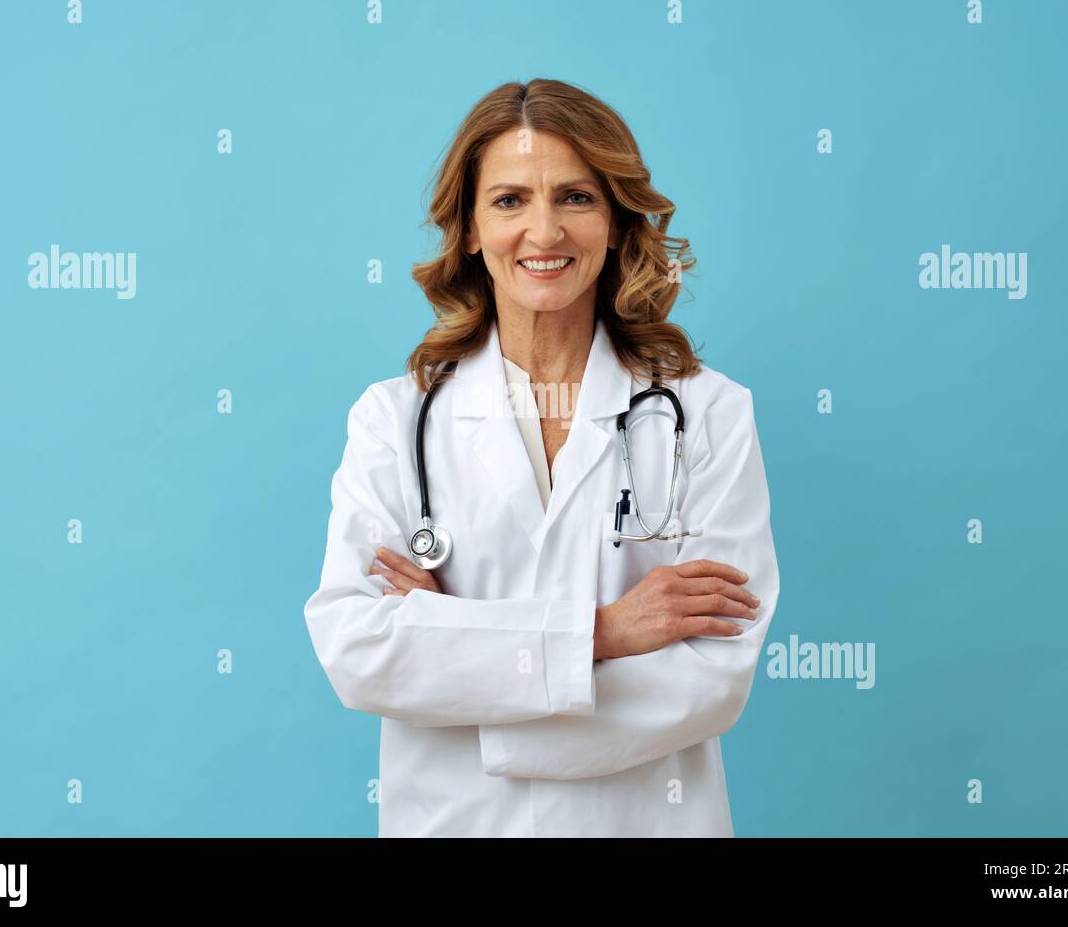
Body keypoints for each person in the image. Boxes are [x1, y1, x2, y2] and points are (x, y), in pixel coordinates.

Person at [303, 78, 779, 837]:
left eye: (577, 198)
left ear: (619, 222)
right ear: (467, 229)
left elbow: (712, 676)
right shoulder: (394, 420)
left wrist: (463, 660)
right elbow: (359, 649)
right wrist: (605, 633)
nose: (544, 231)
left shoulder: (710, 412)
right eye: (510, 200)